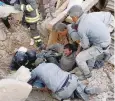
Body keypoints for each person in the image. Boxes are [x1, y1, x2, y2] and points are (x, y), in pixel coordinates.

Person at [67, 5, 111, 79]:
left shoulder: (81, 28)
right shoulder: (90, 15)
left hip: (101, 45)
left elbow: (85, 46)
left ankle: (87, 75)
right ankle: (104, 57)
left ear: (75, 17)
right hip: (107, 39)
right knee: (90, 50)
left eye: (72, 18)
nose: (72, 19)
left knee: (79, 58)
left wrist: (79, 50)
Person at [28, 58, 101, 101]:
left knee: (55, 95)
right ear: (43, 62)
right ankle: (85, 89)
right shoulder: (51, 64)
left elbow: (30, 79)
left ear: (37, 65)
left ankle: (74, 95)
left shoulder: (36, 70)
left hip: (62, 91)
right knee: (74, 83)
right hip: (72, 79)